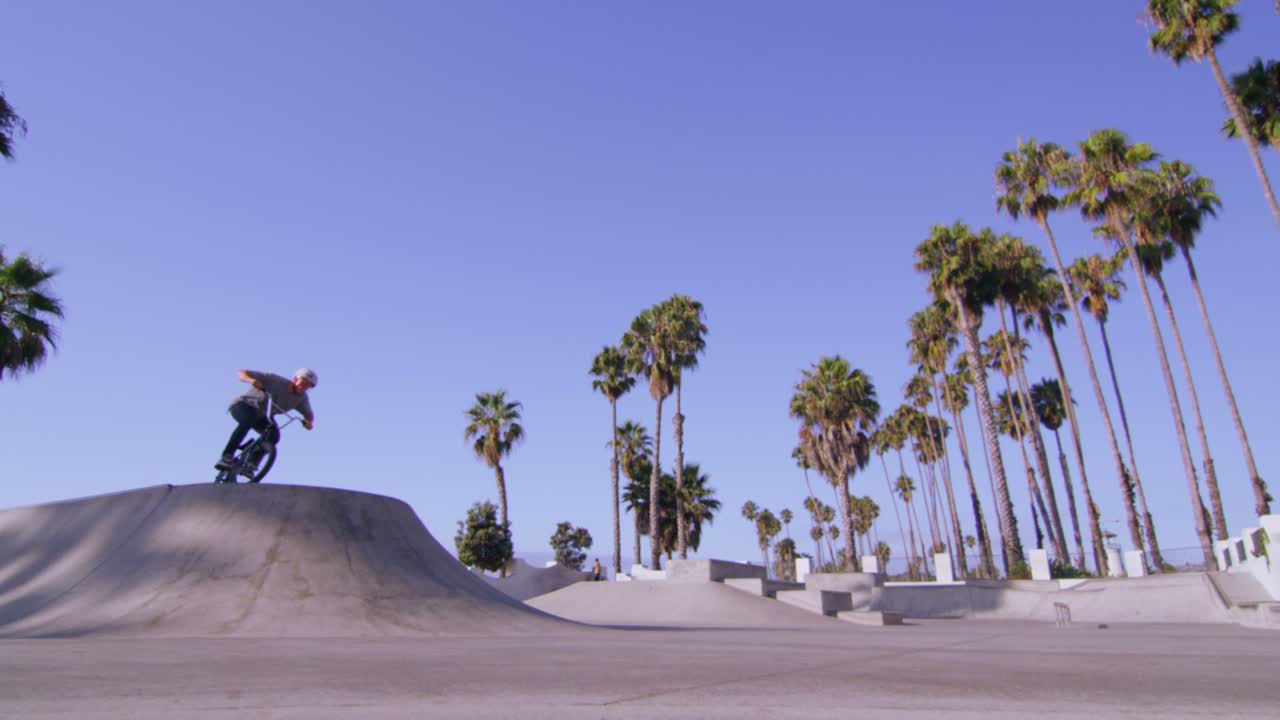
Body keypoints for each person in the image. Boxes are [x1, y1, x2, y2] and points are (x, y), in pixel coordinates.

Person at [216, 368, 317, 470]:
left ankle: (251, 464)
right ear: (295, 379)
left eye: (308, 386)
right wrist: (251, 380)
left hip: (263, 415)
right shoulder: (275, 380)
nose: (304, 387)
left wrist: (308, 422)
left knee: (273, 436)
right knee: (248, 420)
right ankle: (227, 456)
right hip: (244, 405)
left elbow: (309, 414)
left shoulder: (301, 398)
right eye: (303, 383)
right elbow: (242, 373)